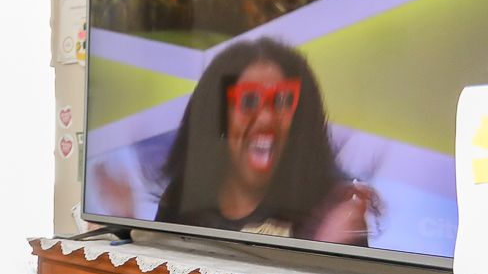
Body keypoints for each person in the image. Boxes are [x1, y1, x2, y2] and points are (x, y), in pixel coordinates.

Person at [153, 38, 376, 245]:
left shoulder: (332, 212)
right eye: (249, 101)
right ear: (217, 118)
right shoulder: (182, 198)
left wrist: (329, 245)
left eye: (283, 100)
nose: (266, 118)